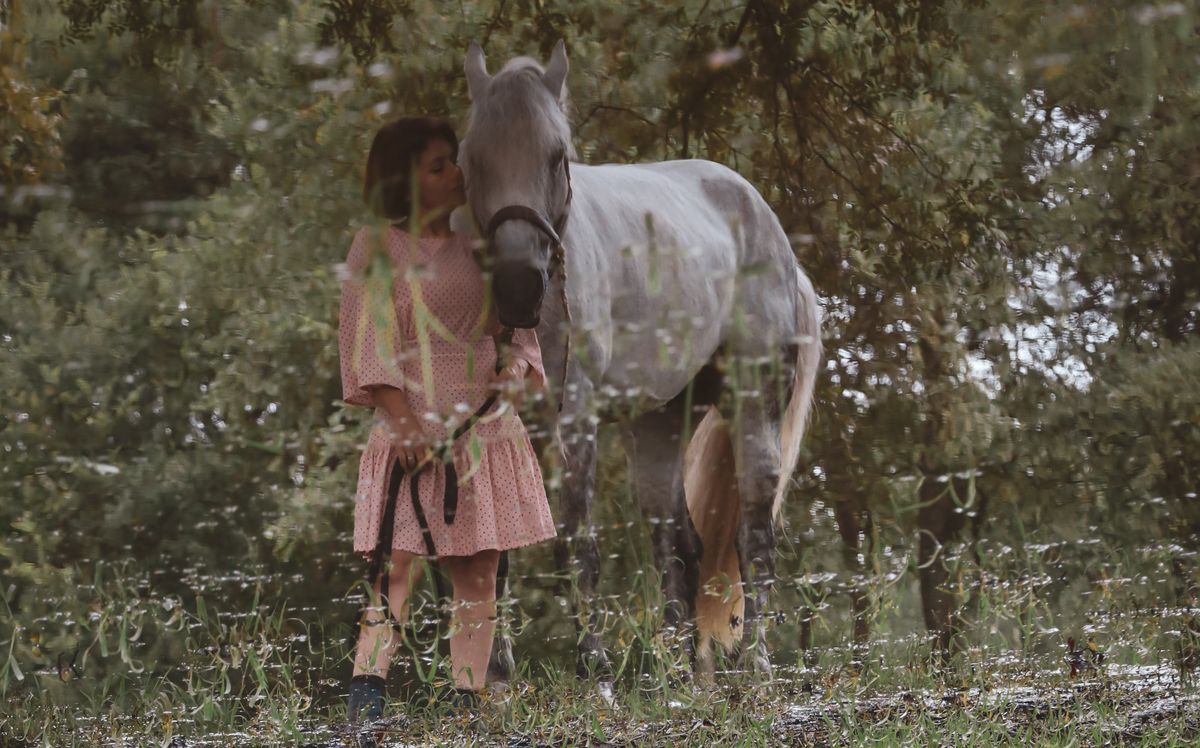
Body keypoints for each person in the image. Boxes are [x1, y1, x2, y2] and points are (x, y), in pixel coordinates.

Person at [338, 116, 555, 734]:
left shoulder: (482, 250)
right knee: (396, 572)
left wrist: (517, 366)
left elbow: (516, 334)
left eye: (452, 162)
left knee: (478, 575)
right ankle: (364, 716)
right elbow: (368, 342)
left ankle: (467, 714)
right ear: (406, 184)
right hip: (412, 432)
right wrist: (404, 423)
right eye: (439, 166)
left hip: (483, 436)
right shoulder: (375, 248)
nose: (456, 173)